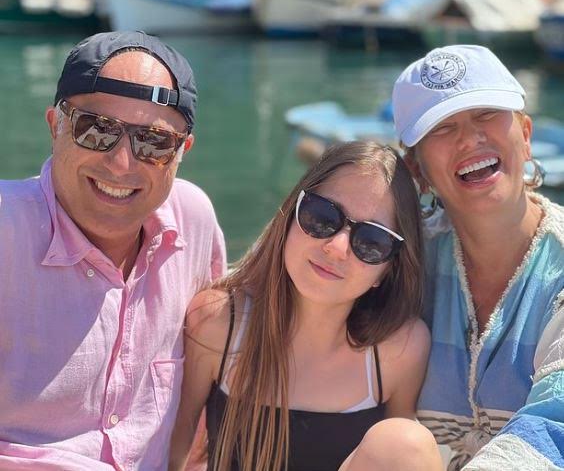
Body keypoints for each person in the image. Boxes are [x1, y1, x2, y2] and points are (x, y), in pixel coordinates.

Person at [0, 31, 226, 470]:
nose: (121, 163)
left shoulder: (193, 223)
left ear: (182, 152)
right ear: (55, 126)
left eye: (154, 142)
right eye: (96, 130)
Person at [168, 141, 444, 471]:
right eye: (323, 216)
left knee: (406, 444)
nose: (337, 247)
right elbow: (174, 451)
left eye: (371, 241)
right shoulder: (218, 321)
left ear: (387, 270)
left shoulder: (400, 350)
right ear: (291, 213)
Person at [392, 44, 564, 470]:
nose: (470, 139)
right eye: (443, 128)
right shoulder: (398, 260)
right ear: (418, 171)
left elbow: (556, 425)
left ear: (526, 136)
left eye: (486, 114)